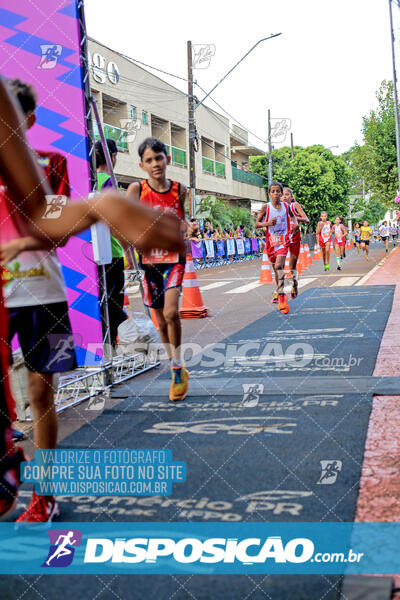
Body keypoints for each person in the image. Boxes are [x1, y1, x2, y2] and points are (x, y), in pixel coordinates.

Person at [0, 79, 182, 520]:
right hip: (1, 299)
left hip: (43, 294)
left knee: (43, 394)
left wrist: (103, 205)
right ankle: (11, 462)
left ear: (27, 120)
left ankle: (44, 494)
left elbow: (47, 223)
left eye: (14, 119)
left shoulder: (49, 162)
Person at [127, 137, 189, 402]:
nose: (155, 164)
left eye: (159, 158)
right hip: (148, 262)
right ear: (142, 165)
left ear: (168, 160)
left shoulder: (179, 189)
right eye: (149, 160)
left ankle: (176, 367)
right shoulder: (136, 190)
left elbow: (182, 220)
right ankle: (175, 364)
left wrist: (188, 228)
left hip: (174, 258)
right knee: (160, 321)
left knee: (171, 312)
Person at [95, 139, 127, 348]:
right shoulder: (108, 182)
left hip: (90, 253)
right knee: (113, 301)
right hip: (112, 252)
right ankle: (111, 348)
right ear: (113, 156)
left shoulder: (88, 179)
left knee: (101, 301)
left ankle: (105, 346)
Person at [255, 181, 292, 314]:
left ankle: (282, 296)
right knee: (276, 269)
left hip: (283, 240)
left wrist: (294, 225)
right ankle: (279, 290)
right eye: (273, 191)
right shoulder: (266, 207)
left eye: (278, 191)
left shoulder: (286, 207)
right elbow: (256, 224)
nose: (276, 193)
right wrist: (268, 223)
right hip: (271, 241)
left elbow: (293, 218)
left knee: (278, 266)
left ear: (282, 193)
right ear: (269, 194)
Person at [282, 187, 309, 298]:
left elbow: (306, 219)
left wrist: (295, 219)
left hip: (294, 237)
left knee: (292, 264)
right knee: (279, 263)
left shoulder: (295, 205)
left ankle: (294, 284)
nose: (284, 196)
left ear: (291, 197)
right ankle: (279, 289)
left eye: (287, 194)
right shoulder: (277, 208)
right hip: (282, 237)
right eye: (282, 195)